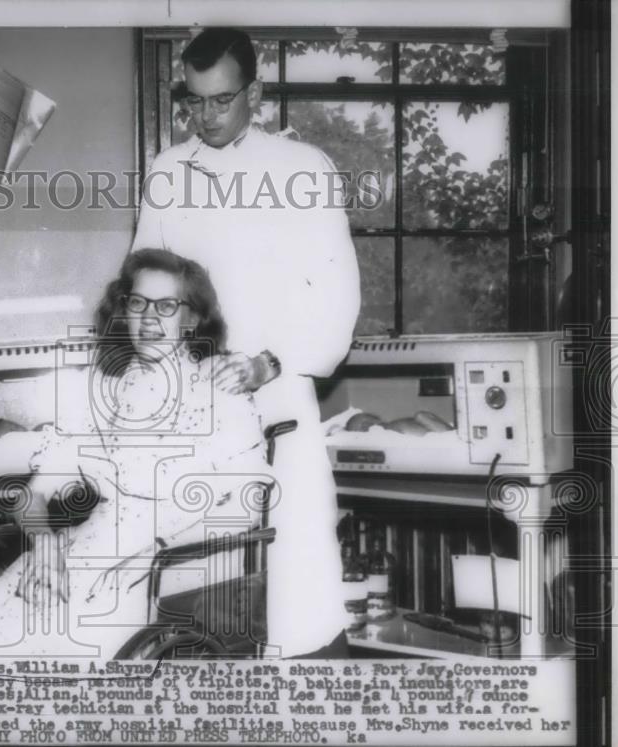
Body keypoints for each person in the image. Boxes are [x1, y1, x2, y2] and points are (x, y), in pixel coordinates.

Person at [132, 28, 361, 656]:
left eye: (222, 100)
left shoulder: (304, 169)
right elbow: (144, 288)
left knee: (296, 597)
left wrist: (270, 362)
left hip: (280, 400)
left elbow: (338, 303)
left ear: (254, 93)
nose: (205, 116)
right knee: (198, 607)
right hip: (192, 414)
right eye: (193, 101)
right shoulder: (168, 172)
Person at [0, 249, 271, 660]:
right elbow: (34, 495)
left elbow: (248, 505)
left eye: (167, 305)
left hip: (171, 567)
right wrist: (45, 545)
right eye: (138, 303)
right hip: (84, 551)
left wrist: (157, 545)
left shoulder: (219, 394)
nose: (149, 319)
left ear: (191, 319)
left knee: (60, 648)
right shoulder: (99, 393)